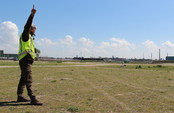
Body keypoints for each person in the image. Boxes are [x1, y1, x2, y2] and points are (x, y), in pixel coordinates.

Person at [17, 6, 42, 105]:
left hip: (27, 60)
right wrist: (32, 15)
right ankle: (33, 98)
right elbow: (26, 26)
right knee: (28, 79)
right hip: (25, 60)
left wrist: (34, 52)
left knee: (23, 79)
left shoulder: (30, 38)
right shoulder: (25, 35)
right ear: (31, 29)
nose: (35, 30)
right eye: (34, 29)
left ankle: (20, 96)